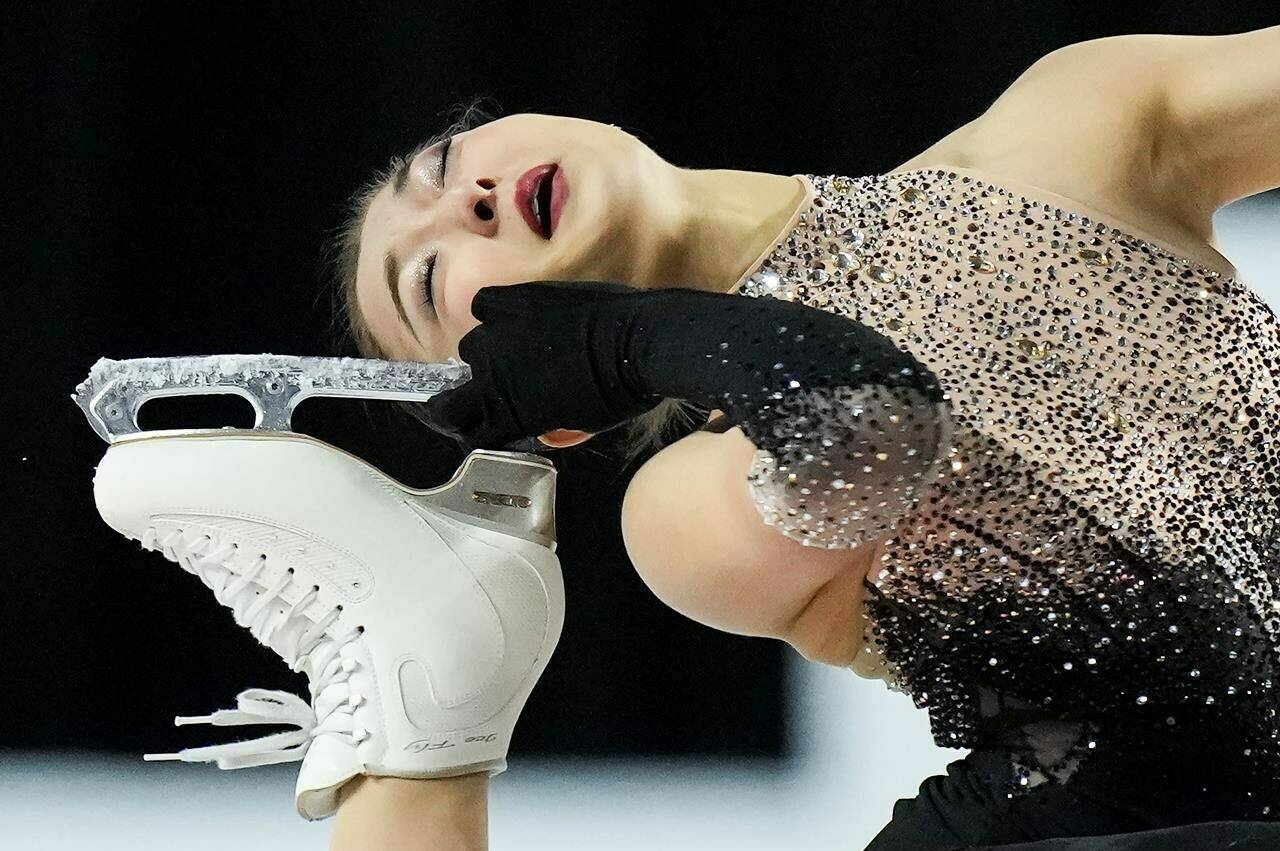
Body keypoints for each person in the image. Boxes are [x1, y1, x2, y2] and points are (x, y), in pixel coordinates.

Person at [120, 26, 1280, 850]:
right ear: (547, 392)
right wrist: (631, 338)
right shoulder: (690, 506)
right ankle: (416, 698)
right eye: (428, 274)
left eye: (439, 166)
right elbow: (873, 425)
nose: (458, 198)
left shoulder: (1075, 127)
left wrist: (624, 333)